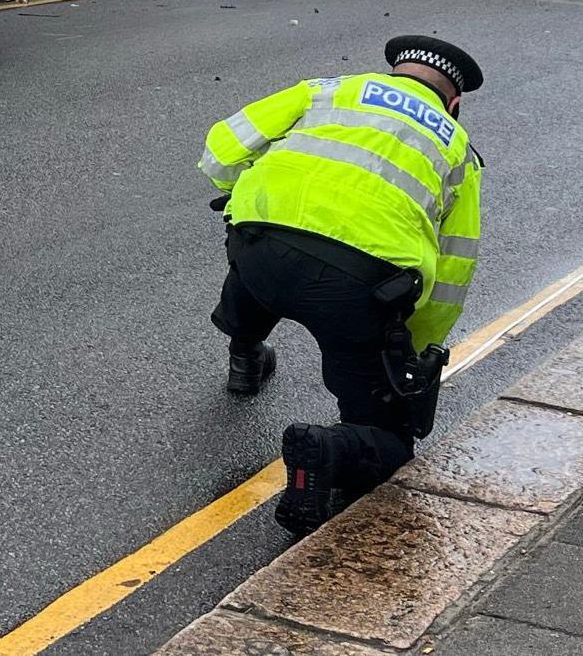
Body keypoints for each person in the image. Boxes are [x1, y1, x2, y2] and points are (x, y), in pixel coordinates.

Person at [199, 35, 484, 537]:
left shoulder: (326, 90)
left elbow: (221, 148)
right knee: (388, 439)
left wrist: (238, 193)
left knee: (256, 259)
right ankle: (328, 451)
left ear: (394, 73)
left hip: (261, 251)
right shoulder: (458, 150)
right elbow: (454, 266)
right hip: (361, 290)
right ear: (454, 104)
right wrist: (411, 351)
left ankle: (244, 353)